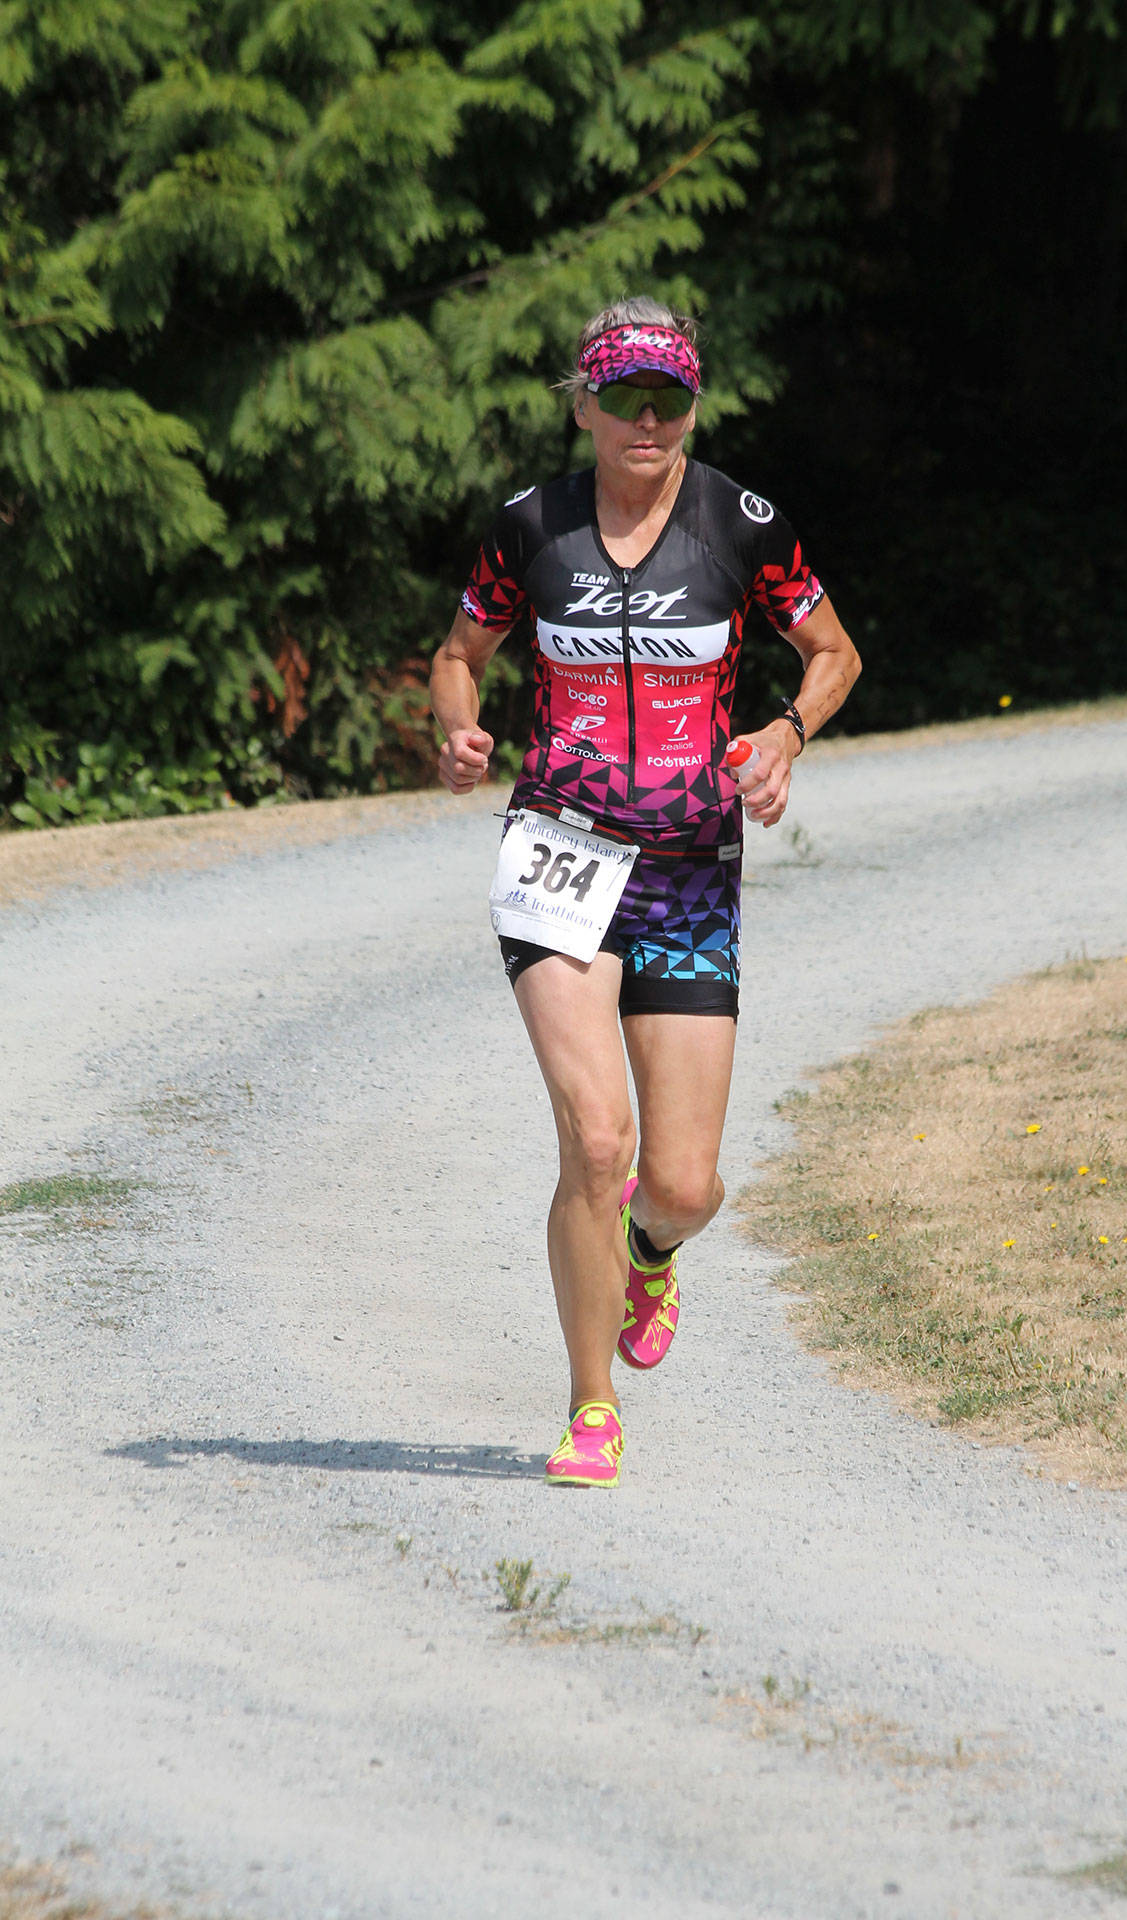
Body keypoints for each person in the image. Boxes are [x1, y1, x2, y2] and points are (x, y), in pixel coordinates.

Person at [429, 297, 860, 1487]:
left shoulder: (737, 521)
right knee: (596, 1136)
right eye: (622, 396)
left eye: (669, 397)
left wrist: (780, 736)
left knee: (679, 1184)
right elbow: (456, 660)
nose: (647, 419)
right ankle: (588, 1407)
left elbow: (834, 654)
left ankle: (648, 1253)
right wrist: (460, 734)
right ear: (581, 404)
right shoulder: (531, 528)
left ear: (691, 408)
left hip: (686, 876)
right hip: (558, 855)